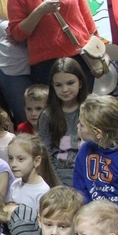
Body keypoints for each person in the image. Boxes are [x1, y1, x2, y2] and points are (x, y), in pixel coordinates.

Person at [7, 0, 97, 89]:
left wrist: (97, 46)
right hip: (46, 64)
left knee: (85, 103)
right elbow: (17, 34)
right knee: (55, 104)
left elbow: (86, 14)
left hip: (81, 55)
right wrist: (40, 11)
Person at [73, 94, 118, 205]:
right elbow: (80, 190)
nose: (78, 127)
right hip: (90, 217)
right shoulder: (85, 150)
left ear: (98, 133)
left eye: (82, 125)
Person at [38, 57, 88, 187]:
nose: (64, 89)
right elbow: (46, 154)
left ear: (80, 83)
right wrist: (58, 185)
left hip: (88, 176)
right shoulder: (47, 115)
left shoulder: (89, 109)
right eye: (58, 85)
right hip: (59, 180)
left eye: (70, 83)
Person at [7, 133, 59, 211]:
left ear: (37, 161)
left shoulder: (42, 191)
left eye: (20, 159)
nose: (13, 164)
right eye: (11, 158)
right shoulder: (15, 184)